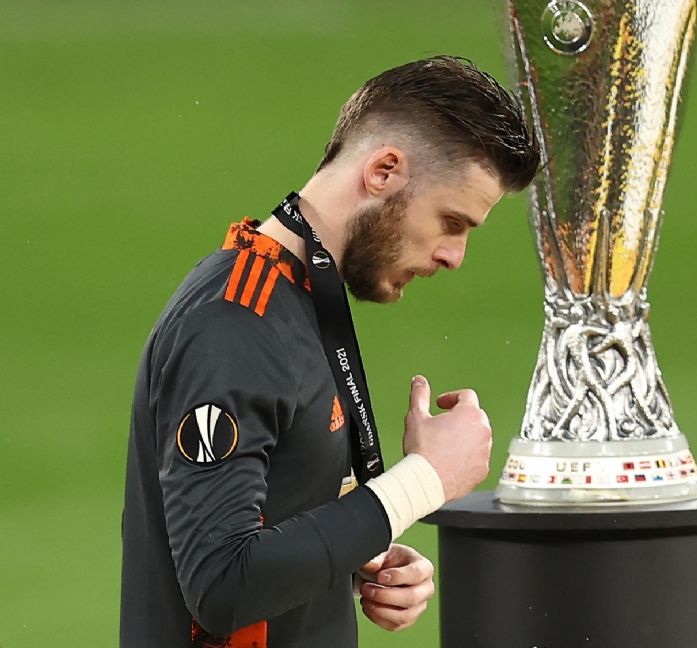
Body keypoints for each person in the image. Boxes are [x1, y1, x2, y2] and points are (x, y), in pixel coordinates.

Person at [120, 56, 540, 647]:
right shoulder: (236, 324)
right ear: (384, 171)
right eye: (452, 221)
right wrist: (423, 481)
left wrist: (360, 553)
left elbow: (271, 516)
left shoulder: (299, 298)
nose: (455, 256)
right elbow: (222, 585)